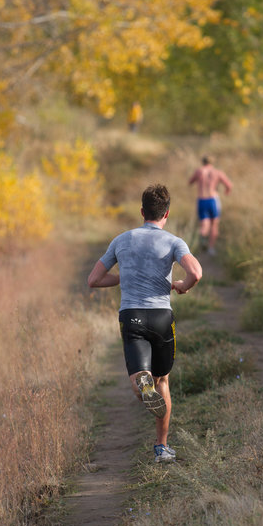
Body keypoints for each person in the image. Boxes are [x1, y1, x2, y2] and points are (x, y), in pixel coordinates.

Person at [88, 185, 202, 463]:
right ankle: (161, 448)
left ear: (142, 212)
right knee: (163, 380)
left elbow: (93, 280)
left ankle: (143, 387)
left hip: (132, 316)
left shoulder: (121, 241)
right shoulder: (175, 242)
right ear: (167, 214)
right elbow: (196, 272)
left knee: (142, 380)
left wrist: (122, 278)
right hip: (162, 317)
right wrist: (182, 286)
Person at [189, 155, 232, 255]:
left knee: (204, 223)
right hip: (213, 200)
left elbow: (190, 182)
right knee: (214, 224)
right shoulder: (217, 172)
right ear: (212, 162)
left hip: (201, 199)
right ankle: (211, 248)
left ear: (203, 162)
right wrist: (226, 192)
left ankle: (203, 236)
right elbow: (229, 186)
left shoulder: (199, 171)